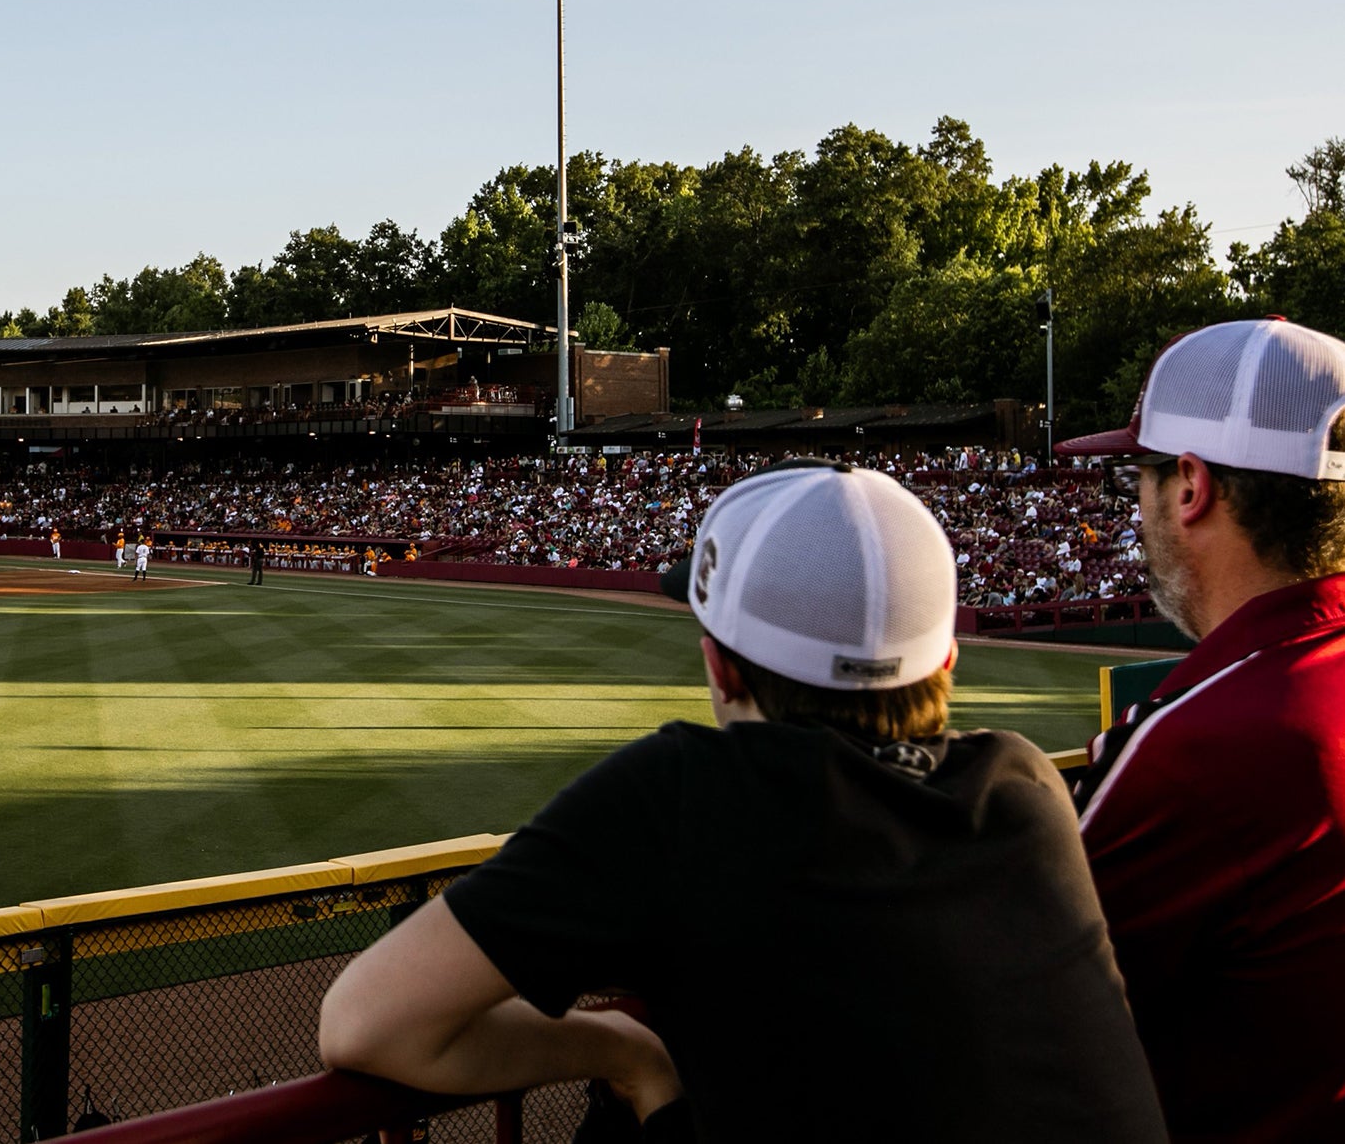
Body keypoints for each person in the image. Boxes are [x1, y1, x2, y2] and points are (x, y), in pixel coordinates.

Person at [319, 460, 1164, 1143]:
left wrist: (622, 1049)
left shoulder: (684, 794)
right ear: (946, 661)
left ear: (719, 668)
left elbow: (362, 1022)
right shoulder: (1027, 789)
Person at [1056, 317, 1345, 1142]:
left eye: (1137, 477)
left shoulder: (1205, 741)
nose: (1136, 506)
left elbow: (1008, 1004)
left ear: (1190, 485)